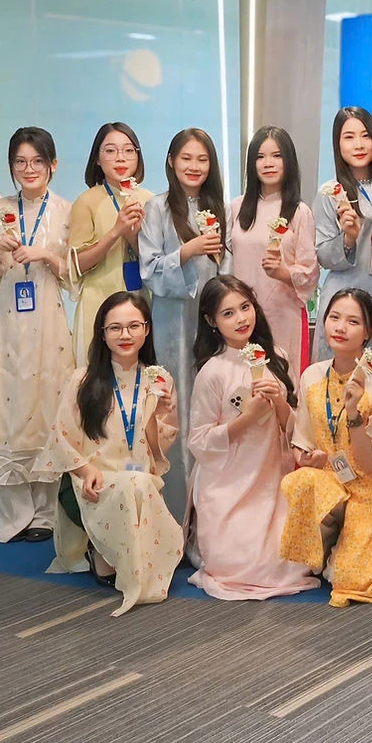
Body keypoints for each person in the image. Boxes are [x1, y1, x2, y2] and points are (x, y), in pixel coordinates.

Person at [36, 292, 182, 616]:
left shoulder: (158, 379)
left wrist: (162, 412)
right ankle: (101, 548)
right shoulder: (82, 379)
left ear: (147, 329)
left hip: (140, 479)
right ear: (102, 334)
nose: (125, 335)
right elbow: (60, 437)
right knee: (134, 488)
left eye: (134, 326)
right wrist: (86, 470)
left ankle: (119, 555)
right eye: (115, 328)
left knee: (138, 483)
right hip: (95, 480)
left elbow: (159, 447)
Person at [185, 276, 317, 599]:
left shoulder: (277, 358)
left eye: (245, 307)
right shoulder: (212, 372)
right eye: (228, 313)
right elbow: (199, 441)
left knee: (291, 562)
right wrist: (247, 419)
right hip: (228, 483)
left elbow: (296, 428)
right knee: (238, 564)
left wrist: (280, 403)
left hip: (273, 481)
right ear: (211, 321)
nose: (241, 319)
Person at [0, 127, 74, 543]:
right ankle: (12, 515)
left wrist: (47, 254)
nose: (28, 169)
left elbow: (73, 276)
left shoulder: (66, 210)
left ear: (53, 165)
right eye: (20, 161)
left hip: (49, 317)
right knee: (6, 402)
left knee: (48, 399)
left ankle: (46, 515)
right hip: (5, 318)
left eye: (37, 161)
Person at [279, 288, 372, 606]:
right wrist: (306, 457)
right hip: (328, 477)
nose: (340, 327)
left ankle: (346, 544)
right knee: (298, 481)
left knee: (353, 581)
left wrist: (354, 415)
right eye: (334, 317)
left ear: (368, 331)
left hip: (369, 484)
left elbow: (370, 465)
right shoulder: (312, 376)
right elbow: (302, 440)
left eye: (352, 321)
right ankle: (328, 540)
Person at [139, 127, 231, 526]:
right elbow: (149, 271)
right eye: (186, 158)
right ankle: (176, 515)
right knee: (174, 407)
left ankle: (211, 516)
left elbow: (227, 269)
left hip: (210, 322)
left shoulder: (219, 208)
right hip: (172, 321)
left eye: (202, 159)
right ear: (171, 161)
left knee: (212, 406)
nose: (194, 166)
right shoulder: (156, 208)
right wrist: (187, 251)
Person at [313, 107, 372, 365]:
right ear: (337, 144)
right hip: (342, 293)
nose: (359, 145)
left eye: (365, 135)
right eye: (349, 137)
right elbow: (322, 255)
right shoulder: (330, 193)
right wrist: (348, 240)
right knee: (338, 371)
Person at [228, 125, 317, 371]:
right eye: (260, 156)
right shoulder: (236, 208)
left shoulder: (299, 212)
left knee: (284, 380)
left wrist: (281, 273)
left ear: (289, 161)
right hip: (241, 318)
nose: (268, 163)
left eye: (277, 155)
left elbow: (310, 274)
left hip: (284, 314)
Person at [67, 122, 153, 365]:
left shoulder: (150, 200)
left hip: (141, 303)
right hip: (99, 304)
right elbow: (77, 265)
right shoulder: (86, 201)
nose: (120, 158)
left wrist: (133, 237)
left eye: (128, 150)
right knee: (98, 376)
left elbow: (155, 262)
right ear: (97, 158)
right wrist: (116, 232)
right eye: (110, 150)